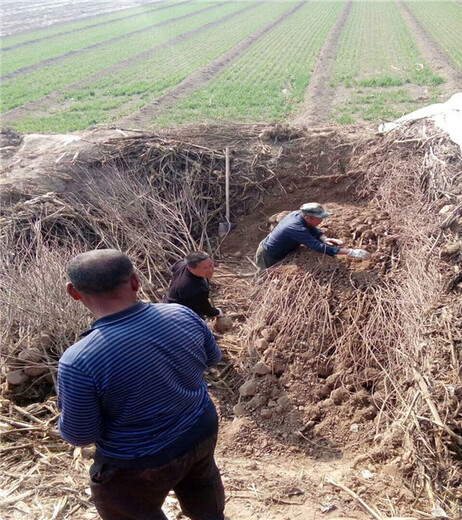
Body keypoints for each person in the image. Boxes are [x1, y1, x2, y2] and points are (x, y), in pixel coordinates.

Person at [57, 249, 225, 520]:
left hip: (138, 461)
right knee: (203, 489)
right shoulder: (182, 315)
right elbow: (212, 358)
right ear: (136, 282)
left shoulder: (78, 360)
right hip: (200, 430)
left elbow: (80, 435)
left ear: (73, 292)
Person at [255, 202, 371, 270]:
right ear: (308, 217)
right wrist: (350, 252)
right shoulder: (295, 227)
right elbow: (317, 247)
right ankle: (254, 301)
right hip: (268, 254)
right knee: (263, 277)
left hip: (276, 248)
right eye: (320, 218)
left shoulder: (299, 215)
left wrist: (322, 237)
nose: (322, 220)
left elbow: (311, 227)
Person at [163, 251, 222, 318]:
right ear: (191, 269)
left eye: (211, 265)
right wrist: (218, 312)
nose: (211, 270)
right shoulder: (196, 288)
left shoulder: (181, 264)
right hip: (177, 313)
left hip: (168, 300)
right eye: (205, 268)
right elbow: (205, 310)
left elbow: (174, 267)